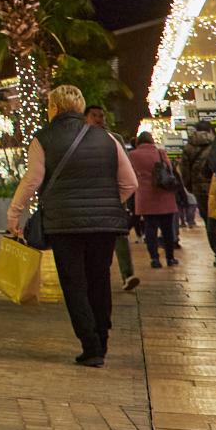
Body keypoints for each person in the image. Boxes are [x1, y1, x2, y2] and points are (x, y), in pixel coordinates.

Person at [9, 84, 138, 367]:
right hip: (103, 226)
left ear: (53, 107)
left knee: (74, 283)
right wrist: (105, 202)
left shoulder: (43, 139)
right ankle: (102, 340)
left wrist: (14, 212)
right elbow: (130, 183)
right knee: (99, 278)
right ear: (80, 108)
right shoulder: (107, 138)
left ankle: (90, 346)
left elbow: (33, 180)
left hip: (64, 224)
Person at [84, 105, 141, 291]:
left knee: (119, 235)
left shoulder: (114, 138)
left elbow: (126, 169)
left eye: (101, 116)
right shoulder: (80, 139)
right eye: (94, 116)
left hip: (113, 195)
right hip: (90, 196)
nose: (99, 119)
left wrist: (120, 196)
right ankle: (96, 276)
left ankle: (127, 274)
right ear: (85, 118)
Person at [180, 121, 216, 269]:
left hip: (199, 190)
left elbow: (185, 170)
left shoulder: (189, 147)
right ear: (210, 130)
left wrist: (190, 187)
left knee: (209, 221)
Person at [127, 131, 182, 269]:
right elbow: (169, 169)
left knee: (150, 229)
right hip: (164, 196)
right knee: (167, 230)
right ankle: (170, 258)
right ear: (151, 140)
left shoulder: (132, 155)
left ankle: (154, 259)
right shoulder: (160, 152)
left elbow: (130, 174)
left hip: (145, 197)